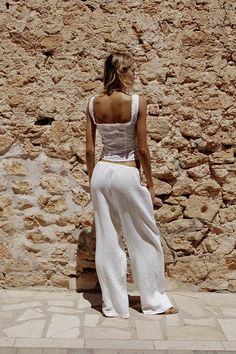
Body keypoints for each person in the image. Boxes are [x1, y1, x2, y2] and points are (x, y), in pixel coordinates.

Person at [85, 51, 178, 318]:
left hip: (101, 173)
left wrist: (93, 179)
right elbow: (143, 149)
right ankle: (155, 302)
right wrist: (149, 182)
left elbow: (90, 150)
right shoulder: (137, 102)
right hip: (127, 172)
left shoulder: (92, 103)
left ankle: (114, 306)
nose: (135, 74)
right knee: (145, 237)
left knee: (107, 239)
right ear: (122, 72)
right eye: (132, 70)